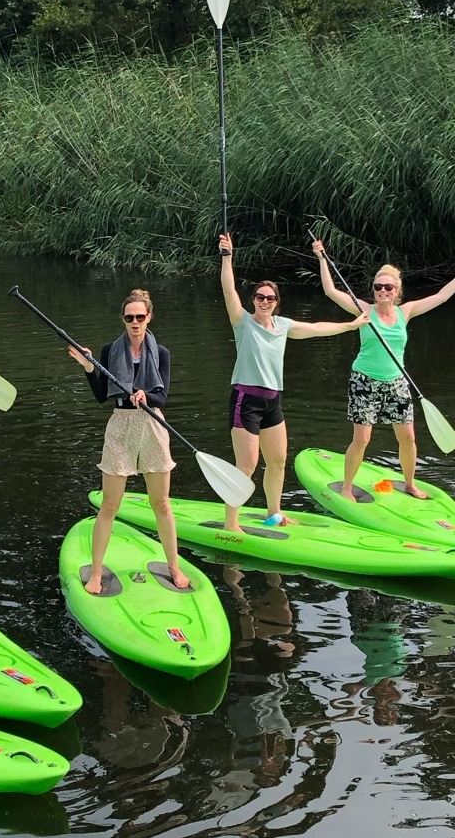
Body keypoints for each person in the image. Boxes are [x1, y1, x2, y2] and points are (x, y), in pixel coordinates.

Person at [218, 232, 365, 532]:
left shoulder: (283, 326)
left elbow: (316, 328)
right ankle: (231, 522)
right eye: (259, 297)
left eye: (270, 298)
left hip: (273, 401)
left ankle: (274, 513)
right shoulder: (243, 322)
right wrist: (227, 257)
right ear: (254, 301)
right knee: (246, 465)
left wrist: (351, 325)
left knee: (278, 461)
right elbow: (228, 289)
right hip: (246, 400)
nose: (264, 302)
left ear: (276, 303)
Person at [314, 240, 455, 500]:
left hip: (397, 383)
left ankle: (411, 484)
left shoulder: (406, 312)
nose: (382, 290)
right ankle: (346, 488)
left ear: (397, 289)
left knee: (408, 439)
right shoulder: (363, 310)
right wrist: (322, 258)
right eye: (378, 286)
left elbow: (442, 297)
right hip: (364, 381)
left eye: (387, 286)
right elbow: (331, 291)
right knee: (362, 439)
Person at [68, 288, 191, 596]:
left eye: (140, 317)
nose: (135, 322)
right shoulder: (110, 350)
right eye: (129, 317)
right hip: (120, 425)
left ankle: (174, 566)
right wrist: (88, 367)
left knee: (161, 503)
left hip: (152, 424)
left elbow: (162, 395)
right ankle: (96, 572)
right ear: (122, 319)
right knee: (110, 504)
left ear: (149, 317)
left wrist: (145, 395)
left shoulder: (161, 353)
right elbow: (101, 395)